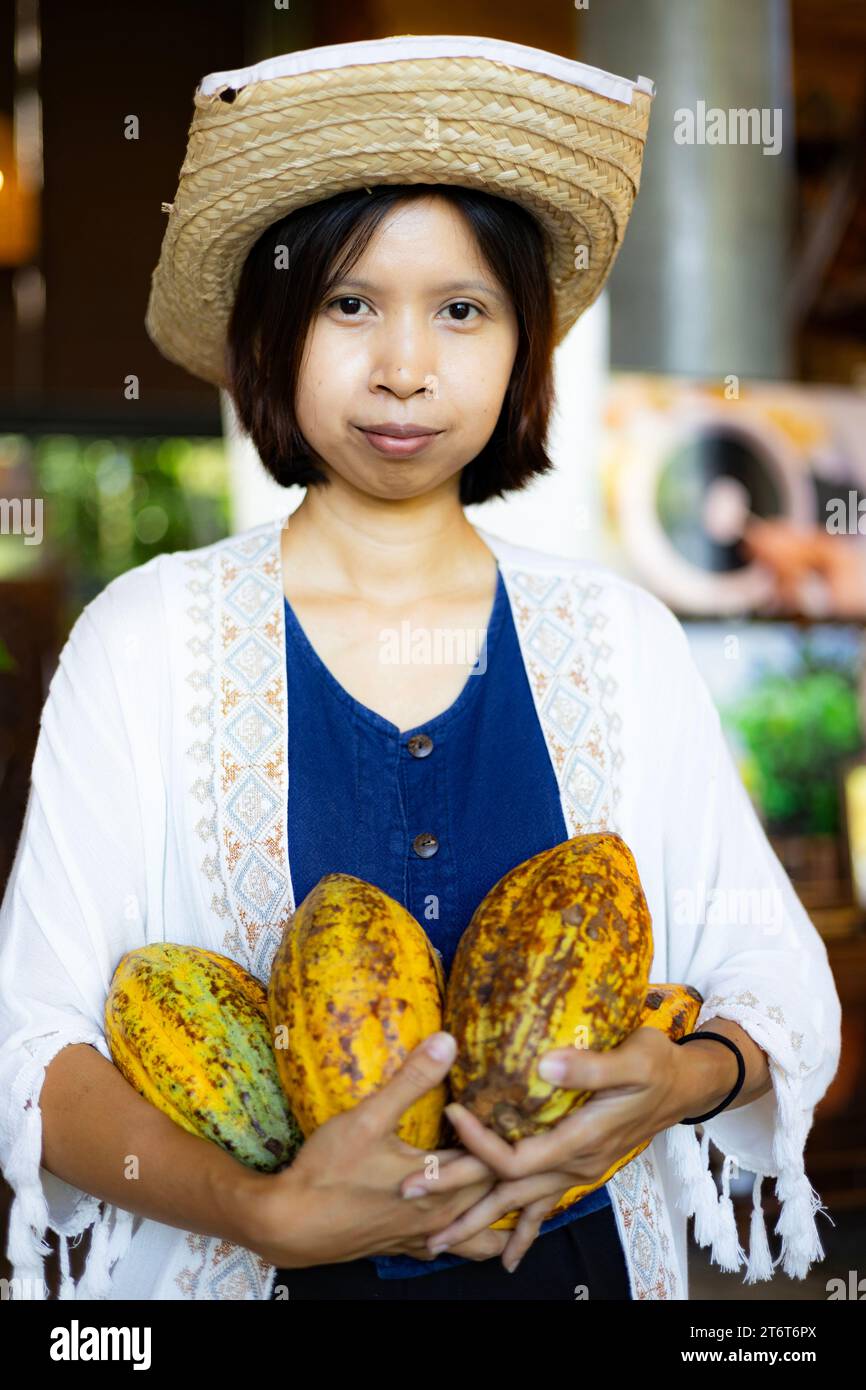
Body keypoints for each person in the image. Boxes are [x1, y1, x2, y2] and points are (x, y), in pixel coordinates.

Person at [0, 35, 841, 1302]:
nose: (404, 366)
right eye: (349, 303)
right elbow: (32, 1045)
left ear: (522, 347)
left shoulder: (616, 641)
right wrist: (259, 1210)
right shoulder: (146, 641)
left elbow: (773, 980)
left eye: (461, 308)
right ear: (272, 332)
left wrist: (680, 1079)